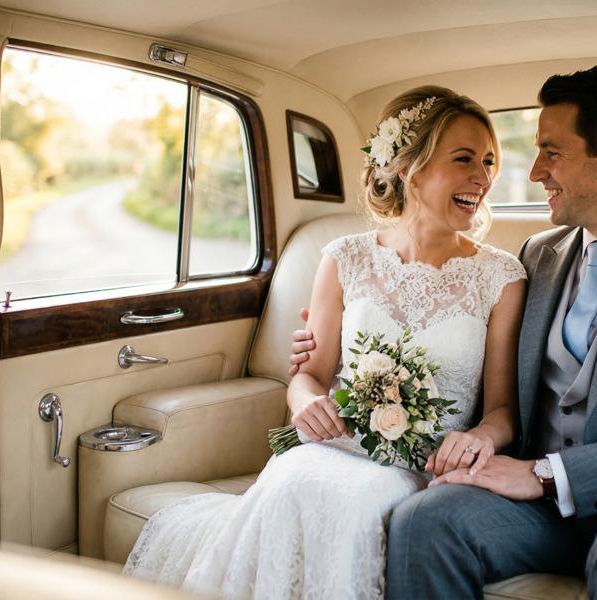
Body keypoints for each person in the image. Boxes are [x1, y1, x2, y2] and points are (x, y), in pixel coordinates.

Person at [289, 66, 597, 599]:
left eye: (553, 151)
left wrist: (547, 475)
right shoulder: (538, 257)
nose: (534, 172)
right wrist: (329, 363)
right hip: (539, 507)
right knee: (427, 519)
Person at [123, 85, 527, 599]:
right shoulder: (345, 258)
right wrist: (307, 403)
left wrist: (480, 439)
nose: (483, 178)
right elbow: (309, 375)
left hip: (417, 469)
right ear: (410, 168)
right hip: (333, 446)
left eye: (489, 162)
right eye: (465, 159)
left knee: (353, 504)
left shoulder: (501, 277)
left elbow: (503, 412)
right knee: (292, 481)